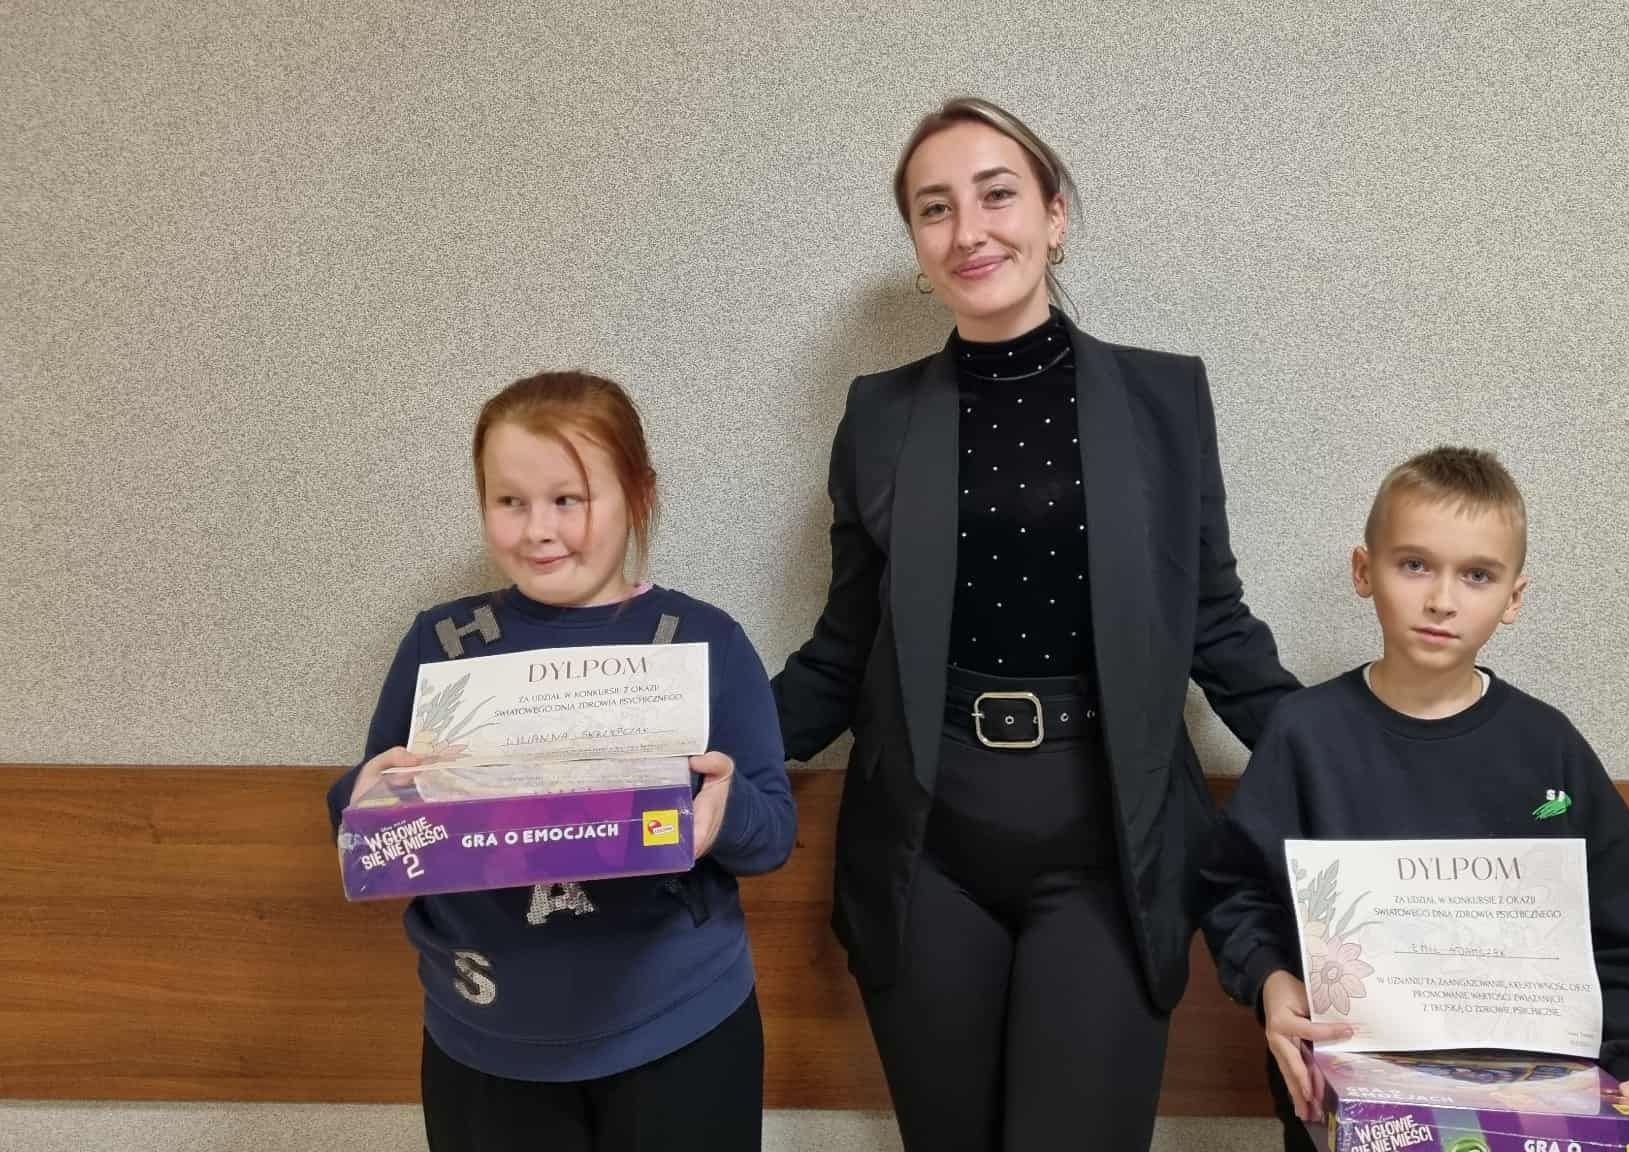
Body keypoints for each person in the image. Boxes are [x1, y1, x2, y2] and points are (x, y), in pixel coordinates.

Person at [771, 97, 1300, 1151]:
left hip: (1109, 844)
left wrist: (1359, 757)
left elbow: (1214, 626)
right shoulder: (878, 416)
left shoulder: (1163, 399)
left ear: (1054, 216)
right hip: (927, 847)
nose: (968, 230)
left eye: (996, 195)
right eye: (934, 208)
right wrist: (672, 753)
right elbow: (842, 653)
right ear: (917, 246)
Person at [326, 371, 796, 1151]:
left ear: (638, 496)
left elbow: (773, 831)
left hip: (679, 1026)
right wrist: (363, 799)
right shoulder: (441, 645)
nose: (538, 530)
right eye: (510, 501)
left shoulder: (703, 640)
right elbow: (372, 829)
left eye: (568, 499)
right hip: (485, 1037)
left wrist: (723, 814)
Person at [1201, 446, 1629, 1151]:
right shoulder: (1305, 735)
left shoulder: (1548, 749)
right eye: (1415, 564)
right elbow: (1234, 886)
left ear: (1513, 598)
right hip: (1345, 1104)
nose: (1442, 599)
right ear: (1363, 571)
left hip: (1527, 1111)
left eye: (1477, 575)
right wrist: (1270, 980)